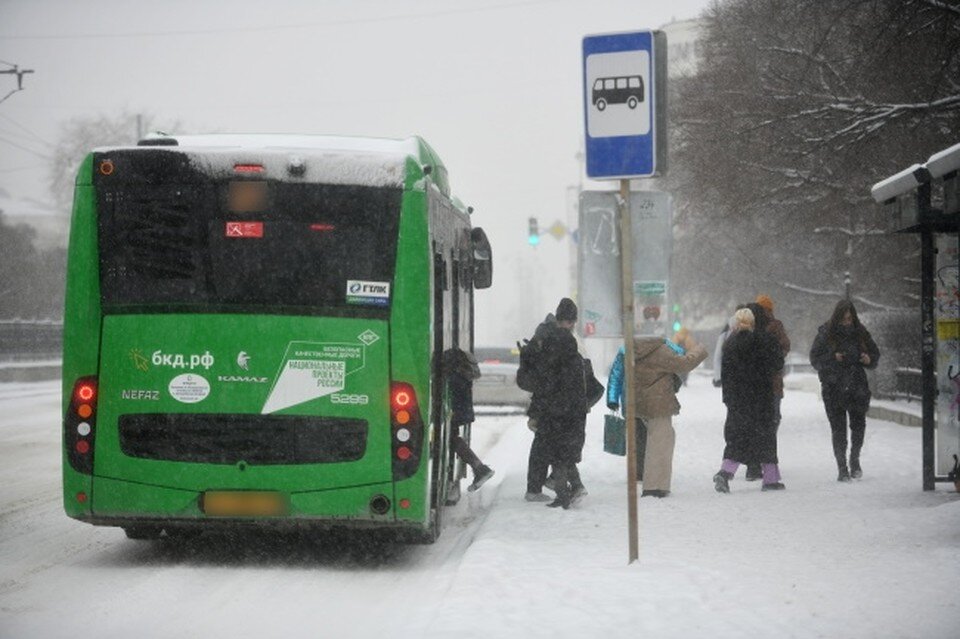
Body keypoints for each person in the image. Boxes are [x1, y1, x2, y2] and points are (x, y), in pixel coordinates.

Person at [713, 307, 786, 493]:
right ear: (753, 323)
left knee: (738, 438)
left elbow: (726, 374)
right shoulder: (765, 340)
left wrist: (729, 399)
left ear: (736, 324)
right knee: (766, 437)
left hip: (738, 399)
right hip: (762, 397)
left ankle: (725, 472)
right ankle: (770, 479)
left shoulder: (729, 344)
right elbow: (778, 363)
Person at [524, 298, 589, 509]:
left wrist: (539, 408)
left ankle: (564, 492)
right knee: (562, 450)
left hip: (552, 406)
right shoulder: (569, 347)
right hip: (566, 407)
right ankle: (566, 491)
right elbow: (572, 381)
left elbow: (544, 380)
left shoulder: (547, 342)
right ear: (572, 321)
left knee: (554, 449)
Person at [629, 326, 707, 498]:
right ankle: (654, 487)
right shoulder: (659, 351)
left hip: (642, 401)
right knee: (660, 442)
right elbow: (684, 364)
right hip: (659, 402)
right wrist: (700, 350)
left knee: (656, 441)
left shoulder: (636, 350)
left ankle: (658, 484)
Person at [809, 300, 880, 481]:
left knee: (858, 425)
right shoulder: (826, 333)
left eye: (850, 318)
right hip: (834, 387)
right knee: (838, 429)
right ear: (837, 317)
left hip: (857, 385)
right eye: (844, 319)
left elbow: (875, 354)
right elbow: (815, 358)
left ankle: (854, 459)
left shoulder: (860, 332)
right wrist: (833, 357)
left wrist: (867, 359)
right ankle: (842, 468)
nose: (847, 322)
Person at [744, 295, 791, 481]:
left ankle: (759, 461)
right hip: (768, 383)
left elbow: (784, 347)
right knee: (767, 422)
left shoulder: (774, 326)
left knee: (768, 421)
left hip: (770, 383)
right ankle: (759, 461)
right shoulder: (753, 326)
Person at [442, 348, 494, 493]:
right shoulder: (461, 373)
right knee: (452, 440)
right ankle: (479, 468)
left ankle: (480, 468)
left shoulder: (453, 377)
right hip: (460, 412)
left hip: (455, 412)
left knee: (452, 440)